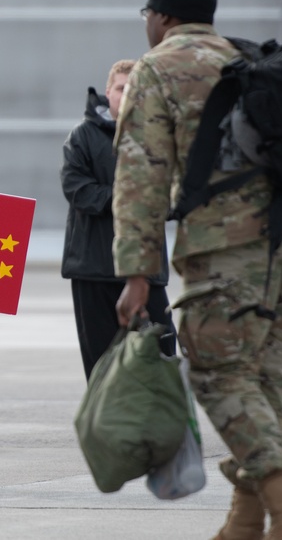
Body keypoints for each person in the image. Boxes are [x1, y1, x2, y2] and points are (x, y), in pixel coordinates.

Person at [113, 0, 282, 540]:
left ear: (162, 17)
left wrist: (137, 273)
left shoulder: (159, 68)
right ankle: (247, 519)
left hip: (234, 240)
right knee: (262, 373)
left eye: (148, 16)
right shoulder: (246, 58)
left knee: (217, 372)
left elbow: (140, 178)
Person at [60, 60, 175, 380]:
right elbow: (78, 190)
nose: (128, 96)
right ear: (107, 91)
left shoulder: (159, 135)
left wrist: (151, 202)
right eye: (122, 88)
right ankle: (106, 430)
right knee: (102, 367)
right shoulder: (82, 136)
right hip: (93, 269)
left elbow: (175, 196)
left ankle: (159, 429)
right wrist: (132, 199)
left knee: (163, 354)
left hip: (146, 267)